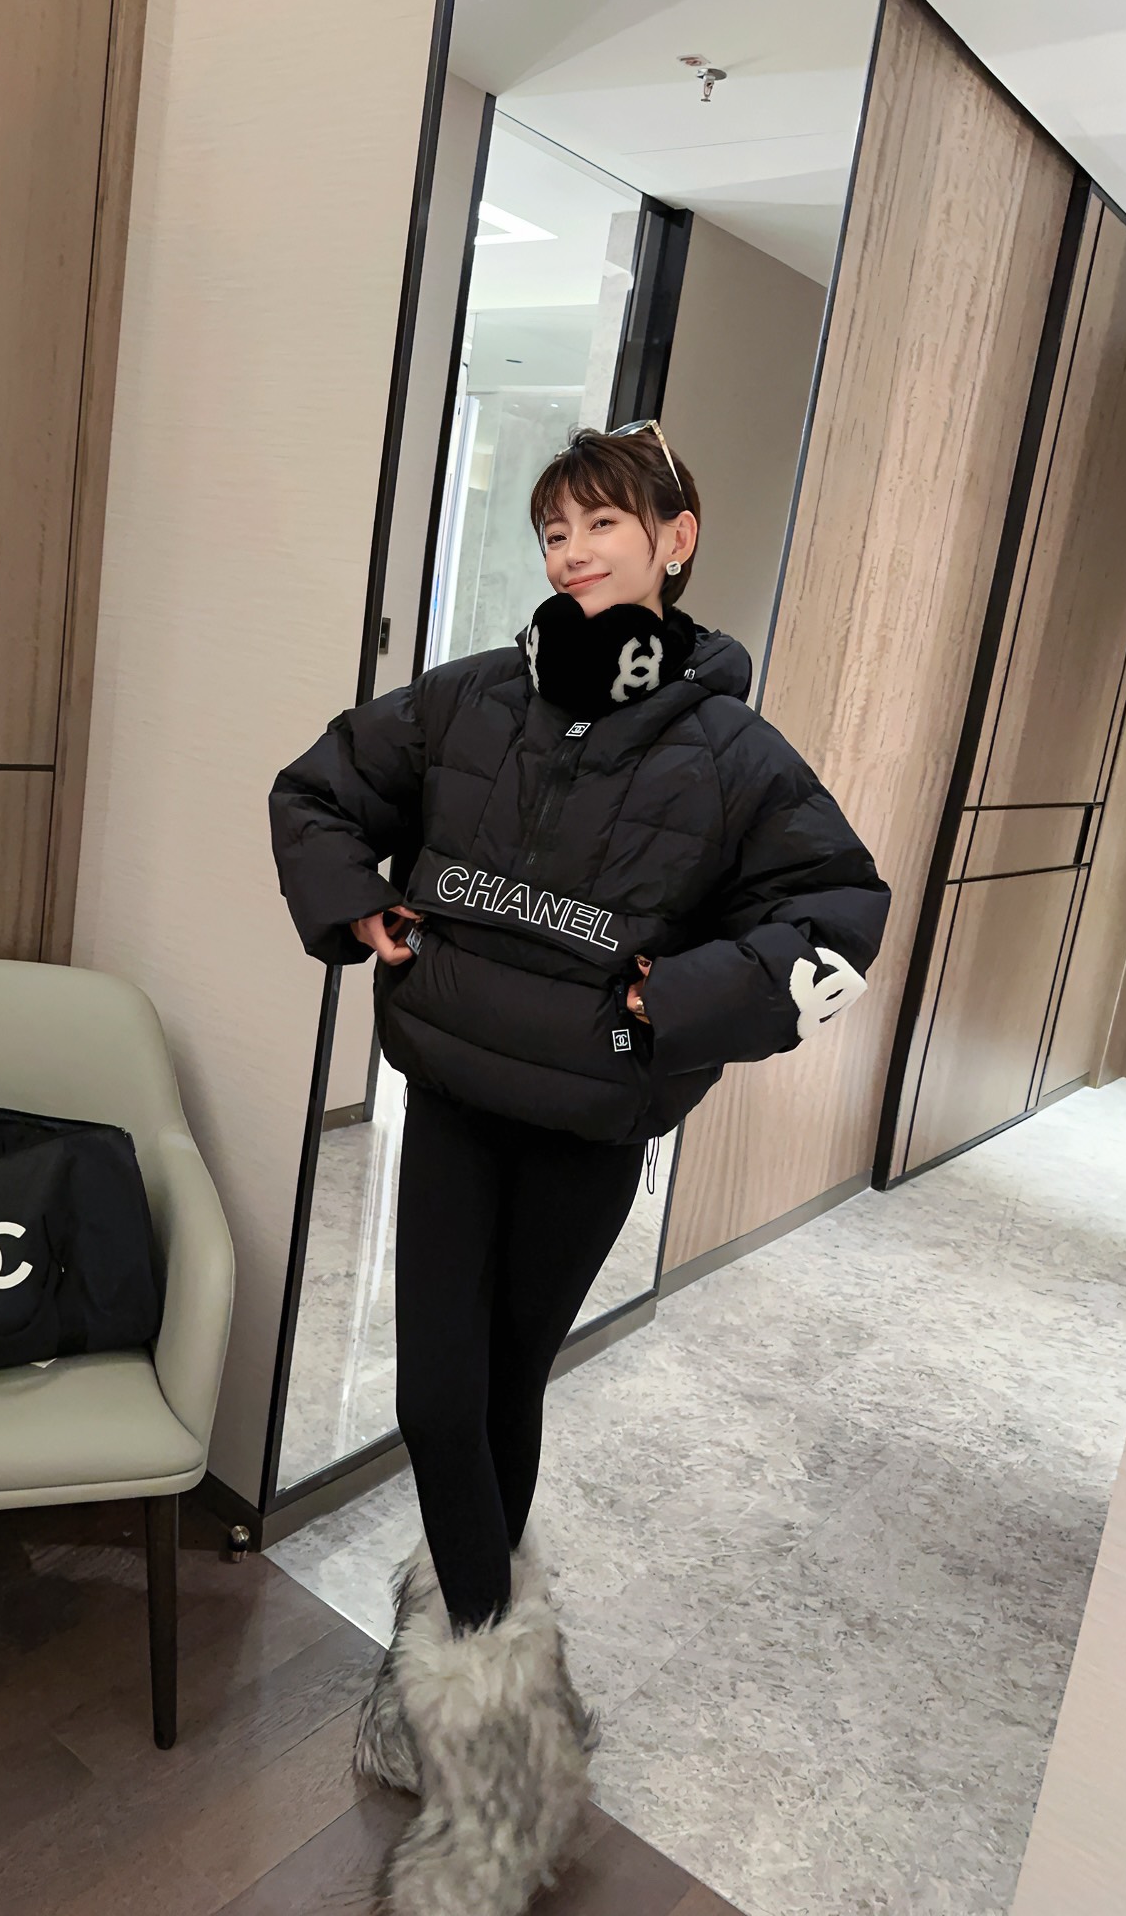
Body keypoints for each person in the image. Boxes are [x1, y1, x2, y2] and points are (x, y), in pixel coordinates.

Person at [268, 421, 891, 1916]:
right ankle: (505, 1744)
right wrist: (359, 907)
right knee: (440, 1400)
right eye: (554, 531)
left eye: (602, 522)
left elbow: (840, 920)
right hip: (457, 1092)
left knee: (501, 1397)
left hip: (592, 1126)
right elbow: (316, 791)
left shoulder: (735, 753)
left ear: (677, 539)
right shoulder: (471, 698)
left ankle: (445, 1692)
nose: (573, 552)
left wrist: (673, 999)